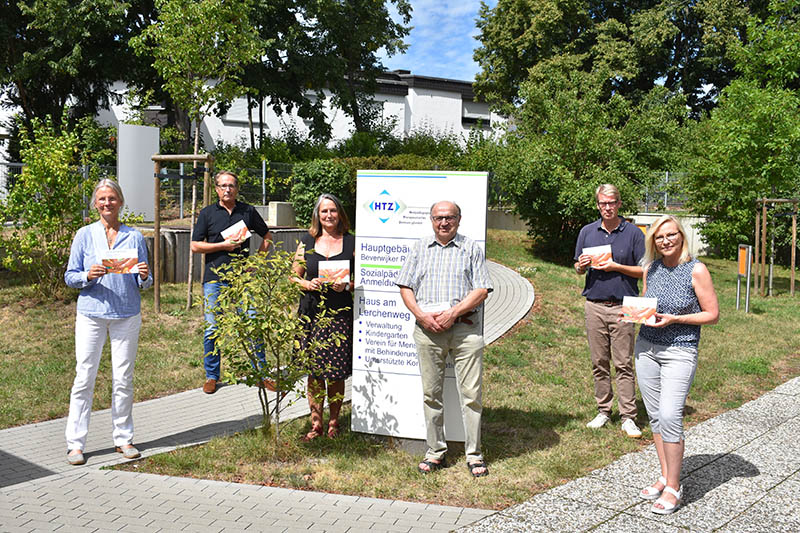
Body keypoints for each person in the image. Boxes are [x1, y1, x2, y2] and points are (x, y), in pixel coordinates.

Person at [396, 201, 493, 477]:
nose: (444, 223)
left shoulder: (471, 248)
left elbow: (482, 289)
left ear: (459, 220)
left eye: (449, 217)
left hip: (465, 330)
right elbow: (405, 286)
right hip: (427, 331)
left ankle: (474, 455)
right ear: (431, 220)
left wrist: (453, 313)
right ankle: (435, 451)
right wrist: (421, 316)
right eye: (439, 218)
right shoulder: (420, 248)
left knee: (472, 395)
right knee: (431, 394)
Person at [64, 179, 153, 465]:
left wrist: (143, 275)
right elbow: (70, 277)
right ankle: (75, 444)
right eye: (102, 199)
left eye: (112, 198)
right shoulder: (84, 235)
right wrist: (87, 276)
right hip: (91, 313)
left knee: (123, 379)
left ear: (120, 202)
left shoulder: (134, 236)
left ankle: (123, 439)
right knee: (84, 377)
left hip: (126, 314)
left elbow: (146, 282)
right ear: (95, 203)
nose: (107, 203)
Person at [634, 215, 718, 514]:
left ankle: (674, 487)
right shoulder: (651, 269)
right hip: (646, 348)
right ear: (653, 241)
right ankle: (665, 477)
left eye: (671, 235)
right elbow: (648, 305)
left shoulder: (696, 270)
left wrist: (676, 319)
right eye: (659, 237)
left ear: (681, 236)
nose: (666, 241)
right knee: (656, 416)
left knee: (670, 415)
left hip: (680, 350)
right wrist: (634, 314)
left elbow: (712, 314)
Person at [191, 171, 272, 394]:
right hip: (215, 278)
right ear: (216, 188)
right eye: (223, 185)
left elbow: (267, 236)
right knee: (212, 328)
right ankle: (212, 376)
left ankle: (262, 373)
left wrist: (256, 262)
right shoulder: (207, 214)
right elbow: (196, 246)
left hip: (242, 278)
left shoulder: (247, 211)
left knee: (253, 322)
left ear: (237, 188)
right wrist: (222, 247)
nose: (227, 189)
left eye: (231, 185)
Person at [574, 184, 644, 438]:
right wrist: (580, 266)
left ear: (619, 203)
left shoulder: (634, 233)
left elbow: (644, 270)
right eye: (603, 203)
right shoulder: (587, 232)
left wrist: (616, 266)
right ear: (597, 205)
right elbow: (578, 266)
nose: (607, 207)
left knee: (624, 363)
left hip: (625, 305)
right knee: (599, 362)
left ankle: (628, 416)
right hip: (594, 304)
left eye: (611, 202)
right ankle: (604, 410)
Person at [291, 194, 354, 440]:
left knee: (336, 372)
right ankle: (316, 422)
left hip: (339, 314)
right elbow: (293, 276)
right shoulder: (307, 241)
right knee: (315, 372)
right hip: (311, 313)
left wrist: (347, 286)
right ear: (318, 215)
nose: (329, 216)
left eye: (333, 211)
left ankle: (334, 422)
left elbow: (361, 280)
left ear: (340, 214)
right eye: (324, 211)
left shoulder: (351, 243)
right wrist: (307, 284)